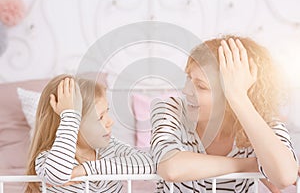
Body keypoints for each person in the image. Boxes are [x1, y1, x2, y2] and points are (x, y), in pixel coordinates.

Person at [150, 36, 299, 192]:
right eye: (189, 78)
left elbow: (285, 177)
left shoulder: (261, 124)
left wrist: (238, 97)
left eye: (201, 86)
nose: (186, 91)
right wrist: (247, 165)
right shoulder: (171, 110)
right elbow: (171, 168)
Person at [26, 74, 154, 192]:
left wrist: (87, 170)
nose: (110, 122)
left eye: (107, 112)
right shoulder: (48, 159)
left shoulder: (109, 148)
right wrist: (70, 115)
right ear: (71, 124)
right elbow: (58, 176)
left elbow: (150, 163)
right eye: (100, 117)